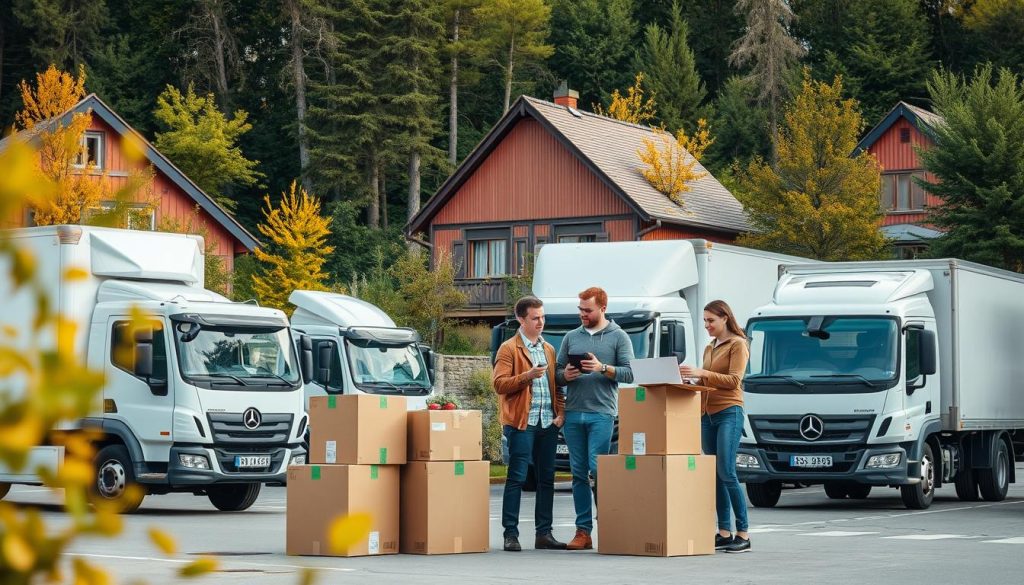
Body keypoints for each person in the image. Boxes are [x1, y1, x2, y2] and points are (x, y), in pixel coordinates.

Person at [556, 286, 634, 551]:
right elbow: (555, 373)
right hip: (573, 413)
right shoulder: (571, 337)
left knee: (598, 471)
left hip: (602, 413)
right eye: (580, 309)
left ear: (602, 308)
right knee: (578, 474)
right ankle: (583, 532)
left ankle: (611, 526)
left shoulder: (619, 337)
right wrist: (564, 375)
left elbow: (630, 373)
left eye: (587, 310)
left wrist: (603, 368)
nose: (582, 314)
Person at [492, 295, 566, 552]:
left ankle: (543, 534)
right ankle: (510, 534)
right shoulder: (509, 349)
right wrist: (527, 376)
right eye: (535, 318)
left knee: (547, 479)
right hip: (521, 424)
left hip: (548, 423)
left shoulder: (549, 349)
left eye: (543, 317)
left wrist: (561, 414)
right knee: (517, 478)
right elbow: (499, 384)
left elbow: (556, 386)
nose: (541, 322)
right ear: (521, 320)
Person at [680, 300, 752, 554]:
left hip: (728, 412)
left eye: (711, 321)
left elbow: (734, 381)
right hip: (707, 415)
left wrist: (701, 373)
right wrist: (690, 380)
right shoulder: (710, 347)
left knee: (727, 471)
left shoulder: (738, 344)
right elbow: (707, 379)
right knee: (714, 475)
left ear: (725, 318)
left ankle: (743, 533)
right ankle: (724, 532)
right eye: (705, 321)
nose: (707, 326)